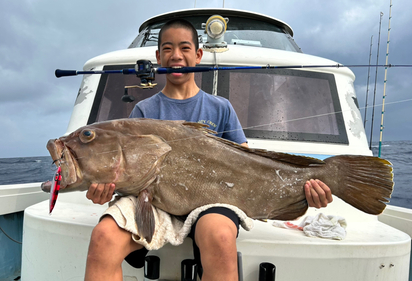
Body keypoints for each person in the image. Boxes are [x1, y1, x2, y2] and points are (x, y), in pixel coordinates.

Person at [84, 19, 333, 281]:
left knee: (221, 235)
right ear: (158, 56)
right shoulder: (143, 112)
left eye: (184, 47)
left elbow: (250, 165)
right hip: (153, 201)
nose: (176, 55)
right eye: (167, 48)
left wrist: (305, 192)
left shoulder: (221, 108)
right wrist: (105, 188)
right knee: (103, 237)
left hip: (211, 201)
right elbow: (128, 174)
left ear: (198, 54)